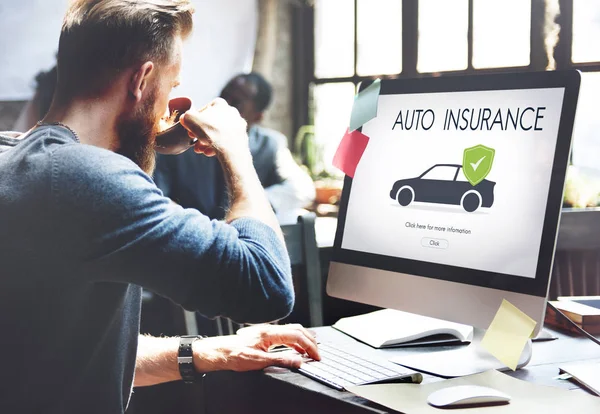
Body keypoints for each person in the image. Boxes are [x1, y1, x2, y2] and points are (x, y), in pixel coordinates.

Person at [0, 1, 319, 413]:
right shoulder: (87, 178)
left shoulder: (16, 157)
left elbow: (65, 354)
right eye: (171, 87)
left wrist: (214, 351)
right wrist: (236, 151)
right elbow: (267, 286)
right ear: (142, 79)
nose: (168, 106)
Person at [154, 72, 315, 223]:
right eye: (223, 96)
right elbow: (157, 196)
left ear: (257, 116)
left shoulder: (270, 145)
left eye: (236, 102)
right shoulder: (181, 140)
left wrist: (251, 205)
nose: (224, 105)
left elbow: (302, 189)